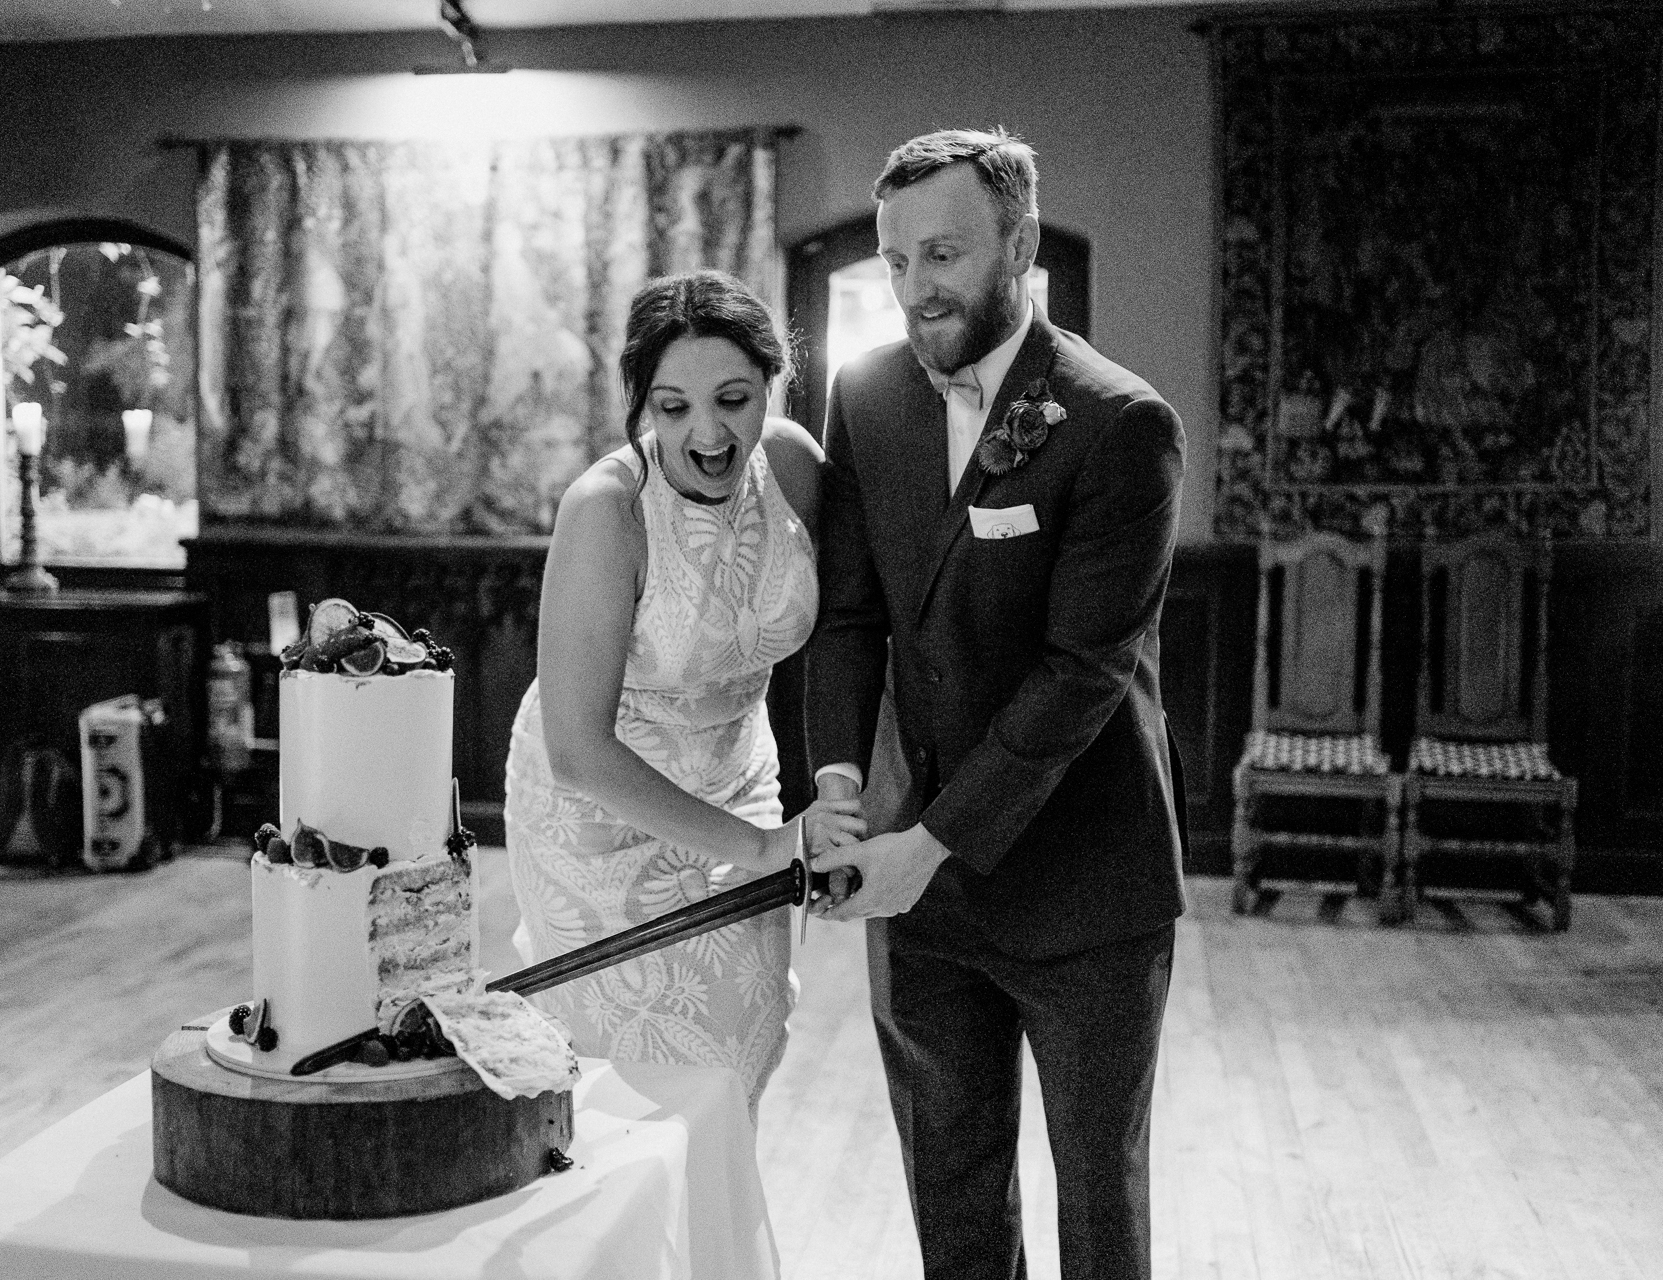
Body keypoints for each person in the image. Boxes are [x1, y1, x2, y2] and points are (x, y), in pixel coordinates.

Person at [807, 129, 1188, 1279]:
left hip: (1089, 885)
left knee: (1096, 1204)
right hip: (920, 895)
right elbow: (849, 615)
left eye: (943, 253)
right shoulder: (865, 392)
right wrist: (836, 789)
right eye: (894, 259)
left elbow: (1082, 672)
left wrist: (929, 844)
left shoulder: (1121, 423)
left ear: (1018, 244)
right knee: (952, 1189)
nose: (915, 287)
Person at [505, 269, 864, 1112]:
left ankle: (711, 1238)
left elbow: (853, 630)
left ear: (772, 387)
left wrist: (841, 796)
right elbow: (578, 752)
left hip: (741, 771)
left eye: (732, 399)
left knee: (744, 1038)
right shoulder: (605, 512)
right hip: (597, 817)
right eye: (672, 408)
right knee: (629, 1089)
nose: (706, 432)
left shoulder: (794, 468)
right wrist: (768, 849)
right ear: (642, 407)